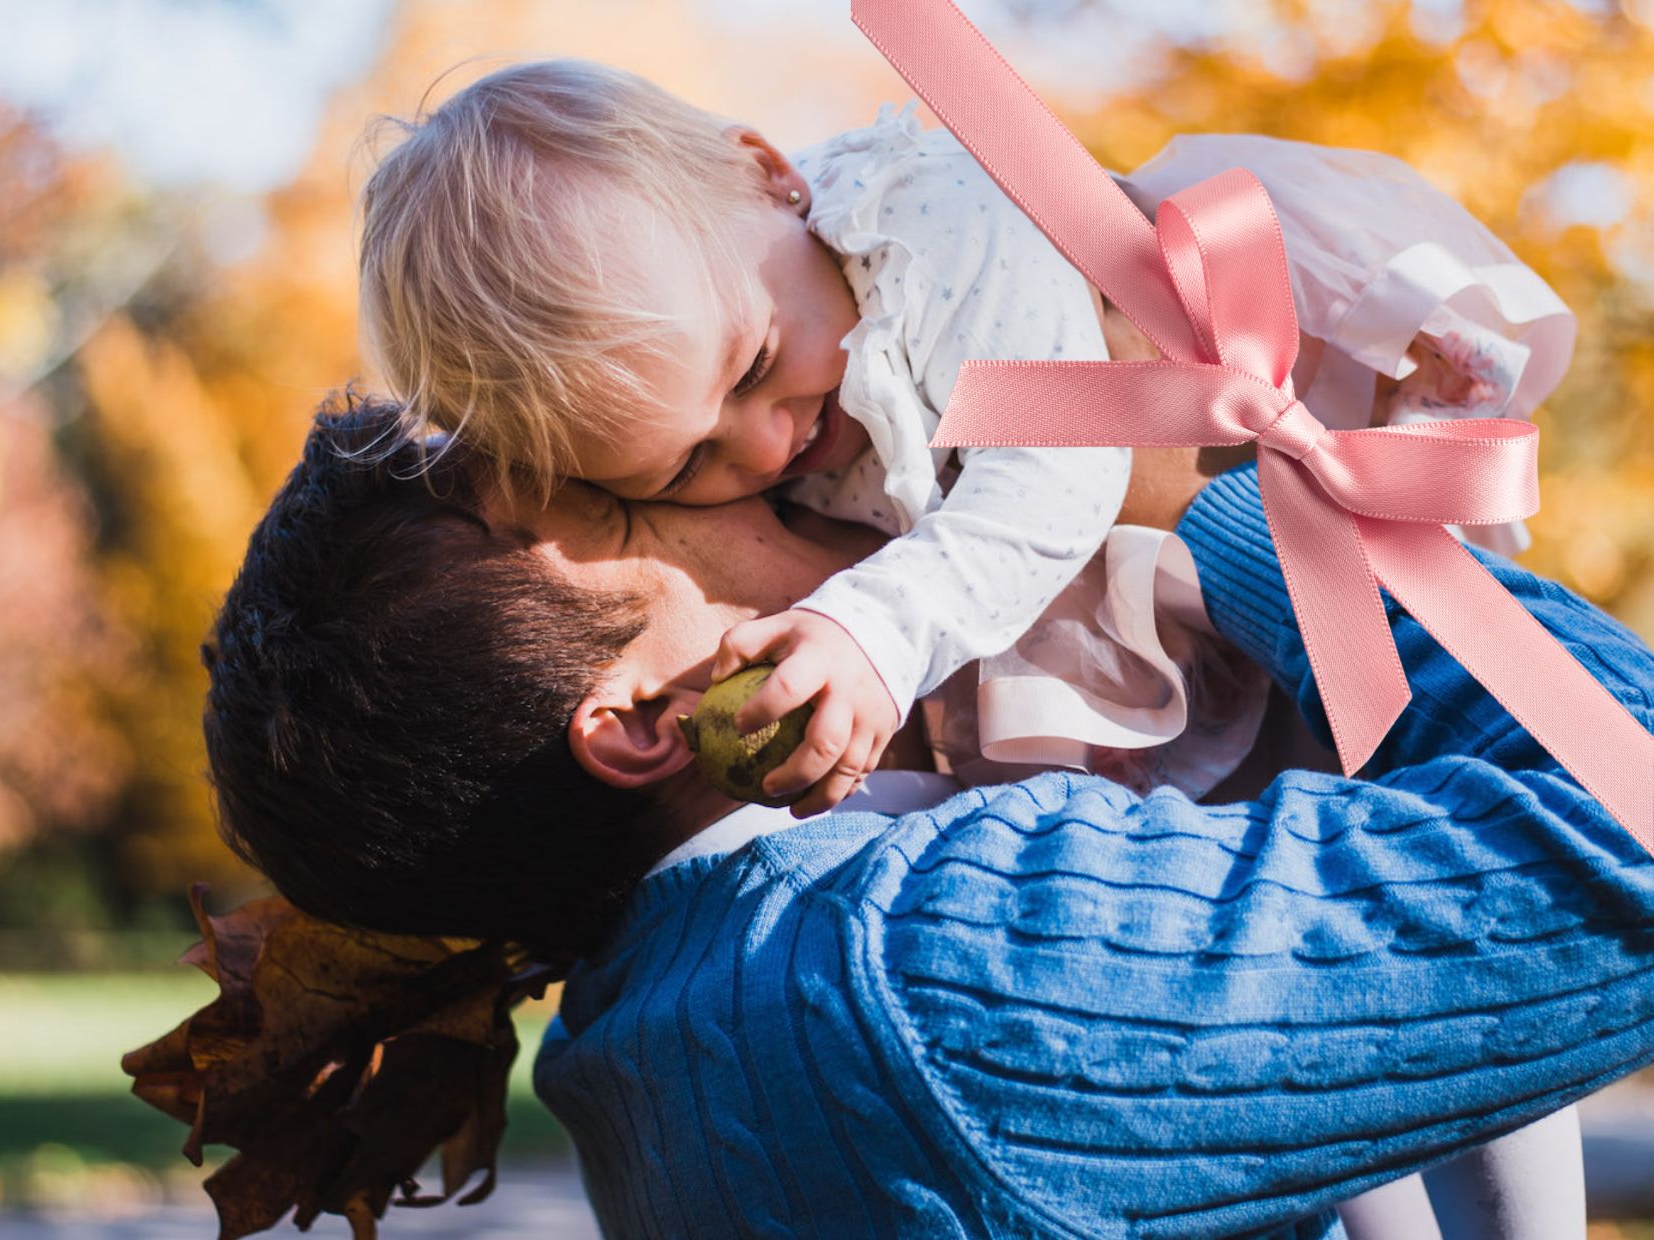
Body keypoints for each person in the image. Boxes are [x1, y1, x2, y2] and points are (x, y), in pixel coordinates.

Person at [202, 395, 1653, 1239]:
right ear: (646, 721)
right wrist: (1256, 511)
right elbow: (1631, 822)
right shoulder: (928, 976)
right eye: (621, 486)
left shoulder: (671, 1023)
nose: (730, 445)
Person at [355, 61, 1575, 820]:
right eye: (681, 468)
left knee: (1424, 780)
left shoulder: (937, 221)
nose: (768, 444)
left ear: (767, 175)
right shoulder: (770, 318)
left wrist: (872, 630)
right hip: (1134, 582)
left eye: (752, 368)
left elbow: (1057, 468)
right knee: (1328, 845)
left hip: (1225, 463)